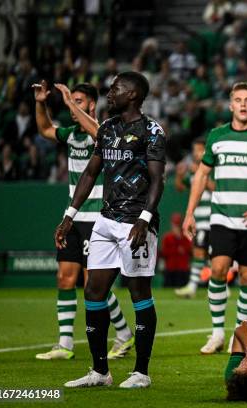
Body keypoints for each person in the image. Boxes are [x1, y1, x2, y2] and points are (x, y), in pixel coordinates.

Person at [56, 71, 166, 388]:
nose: (110, 92)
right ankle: (100, 372)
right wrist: (70, 215)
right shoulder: (106, 128)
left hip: (136, 223)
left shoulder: (152, 131)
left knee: (138, 292)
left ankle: (141, 373)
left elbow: (159, 179)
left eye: (116, 88)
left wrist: (145, 218)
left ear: (132, 94)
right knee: (93, 291)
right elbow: (91, 173)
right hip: (104, 220)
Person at [33, 80, 133, 361]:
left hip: (99, 217)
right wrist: (41, 102)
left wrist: (69, 106)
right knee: (65, 278)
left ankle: (123, 333)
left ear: (91, 104)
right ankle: (64, 344)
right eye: (72, 101)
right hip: (73, 217)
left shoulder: (105, 130)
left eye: (79, 101)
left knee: (94, 284)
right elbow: (44, 129)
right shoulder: (72, 135)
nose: (73, 105)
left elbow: (99, 135)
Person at [183, 82, 247, 354]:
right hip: (222, 216)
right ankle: (216, 333)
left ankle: (240, 332)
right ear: (230, 105)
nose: (243, 104)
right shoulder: (216, 136)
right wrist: (190, 213)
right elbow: (202, 175)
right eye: (238, 100)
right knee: (217, 270)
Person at [174, 139, 214, 298]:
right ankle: (220, 286)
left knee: (201, 253)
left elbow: (216, 188)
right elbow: (180, 188)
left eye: (200, 150)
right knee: (207, 254)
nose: (197, 153)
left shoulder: (212, 167)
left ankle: (192, 286)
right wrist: (179, 175)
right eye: (195, 150)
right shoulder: (191, 172)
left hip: (211, 218)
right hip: (198, 218)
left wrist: (200, 172)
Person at [160, 213, 192, 287]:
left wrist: (179, 239)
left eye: (177, 225)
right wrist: (176, 249)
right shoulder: (167, 237)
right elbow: (164, 253)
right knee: (167, 290)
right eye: (175, 224)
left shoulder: (186, 237)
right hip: (170, 269)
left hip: (183, 269)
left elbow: (190, 252)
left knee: (182, 287)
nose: (176, 227)